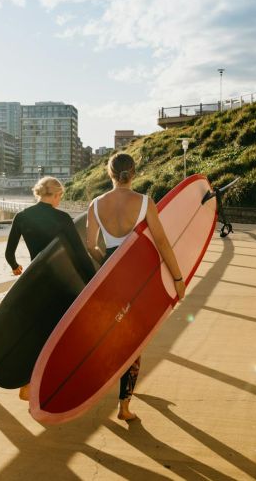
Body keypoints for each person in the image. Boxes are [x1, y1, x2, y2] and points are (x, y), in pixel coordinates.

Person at [85, 153, 186, 422]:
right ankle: (124, 406)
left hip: (111, 276)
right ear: (134, 172)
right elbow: (162, 243)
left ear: (109, 173)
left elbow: (90, 245)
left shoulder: (96, 204)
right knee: (134, 340)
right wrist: (177, 278)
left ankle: (96, 389)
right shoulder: (144, 202)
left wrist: (106, 262)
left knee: (111, 334)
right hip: (137, 277)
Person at [5, 176, 96, 401]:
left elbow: (9, 253)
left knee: (35, 333)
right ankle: (57, 381)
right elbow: (80, 254)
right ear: (56, 195)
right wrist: (93, 280)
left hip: (33, 283)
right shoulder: (63, 218)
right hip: (59, 284)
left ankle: (26, 384)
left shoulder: (22, 216)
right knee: (61, 334)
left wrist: (16, 268)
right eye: (60, 197)